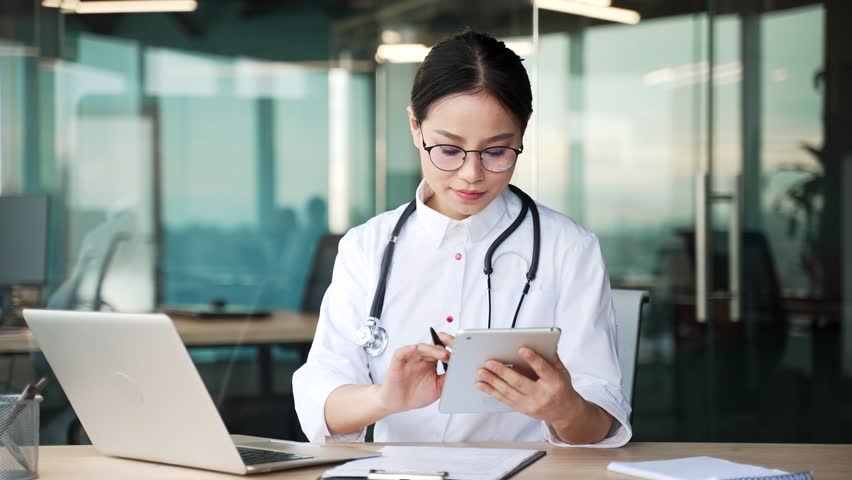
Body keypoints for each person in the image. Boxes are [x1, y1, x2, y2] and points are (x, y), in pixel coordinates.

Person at [292, 30, 631, 447]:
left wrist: (564, 409)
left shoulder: (569, 248)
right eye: (449, 150)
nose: (472, 174)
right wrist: (384, 398)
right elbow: (321, 401)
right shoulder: (367, 247)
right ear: (415, 126)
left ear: (522, 136)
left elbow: (599, 423)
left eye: (497, 151)